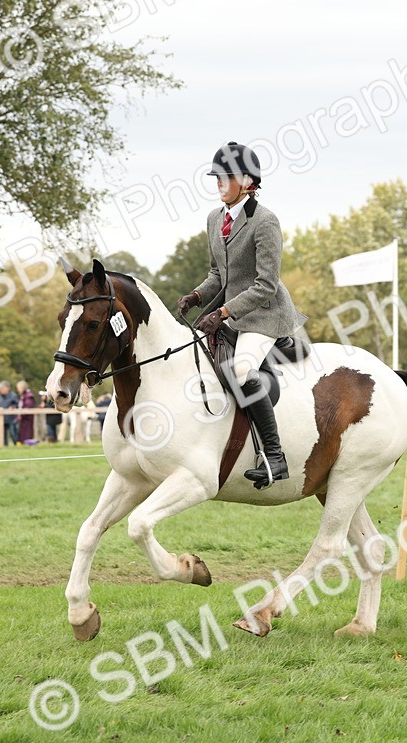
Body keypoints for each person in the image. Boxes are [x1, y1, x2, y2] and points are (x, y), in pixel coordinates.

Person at [176, 141, 307, 489]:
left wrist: (221, 311)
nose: (219, 184)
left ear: (247, 181)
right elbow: (218, 275)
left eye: (226, 177)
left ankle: (274, 457)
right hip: (230, 313)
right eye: (216, 178)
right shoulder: (214, 219)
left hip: (264, 315)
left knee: (242, 369)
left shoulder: (265, 222)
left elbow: (266, 285)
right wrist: (196, 296)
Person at [0, 380, 20, 445]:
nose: (1, 390)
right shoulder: (0, 397)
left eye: (2, 389)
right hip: (3, 418)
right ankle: (5, 446)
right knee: (3, 435)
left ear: (8, 388)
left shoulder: (13, 395)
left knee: (13, 433)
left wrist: (13, 407)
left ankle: (17, 445)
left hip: (12, 418)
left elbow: (17, 404)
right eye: (0, 389)